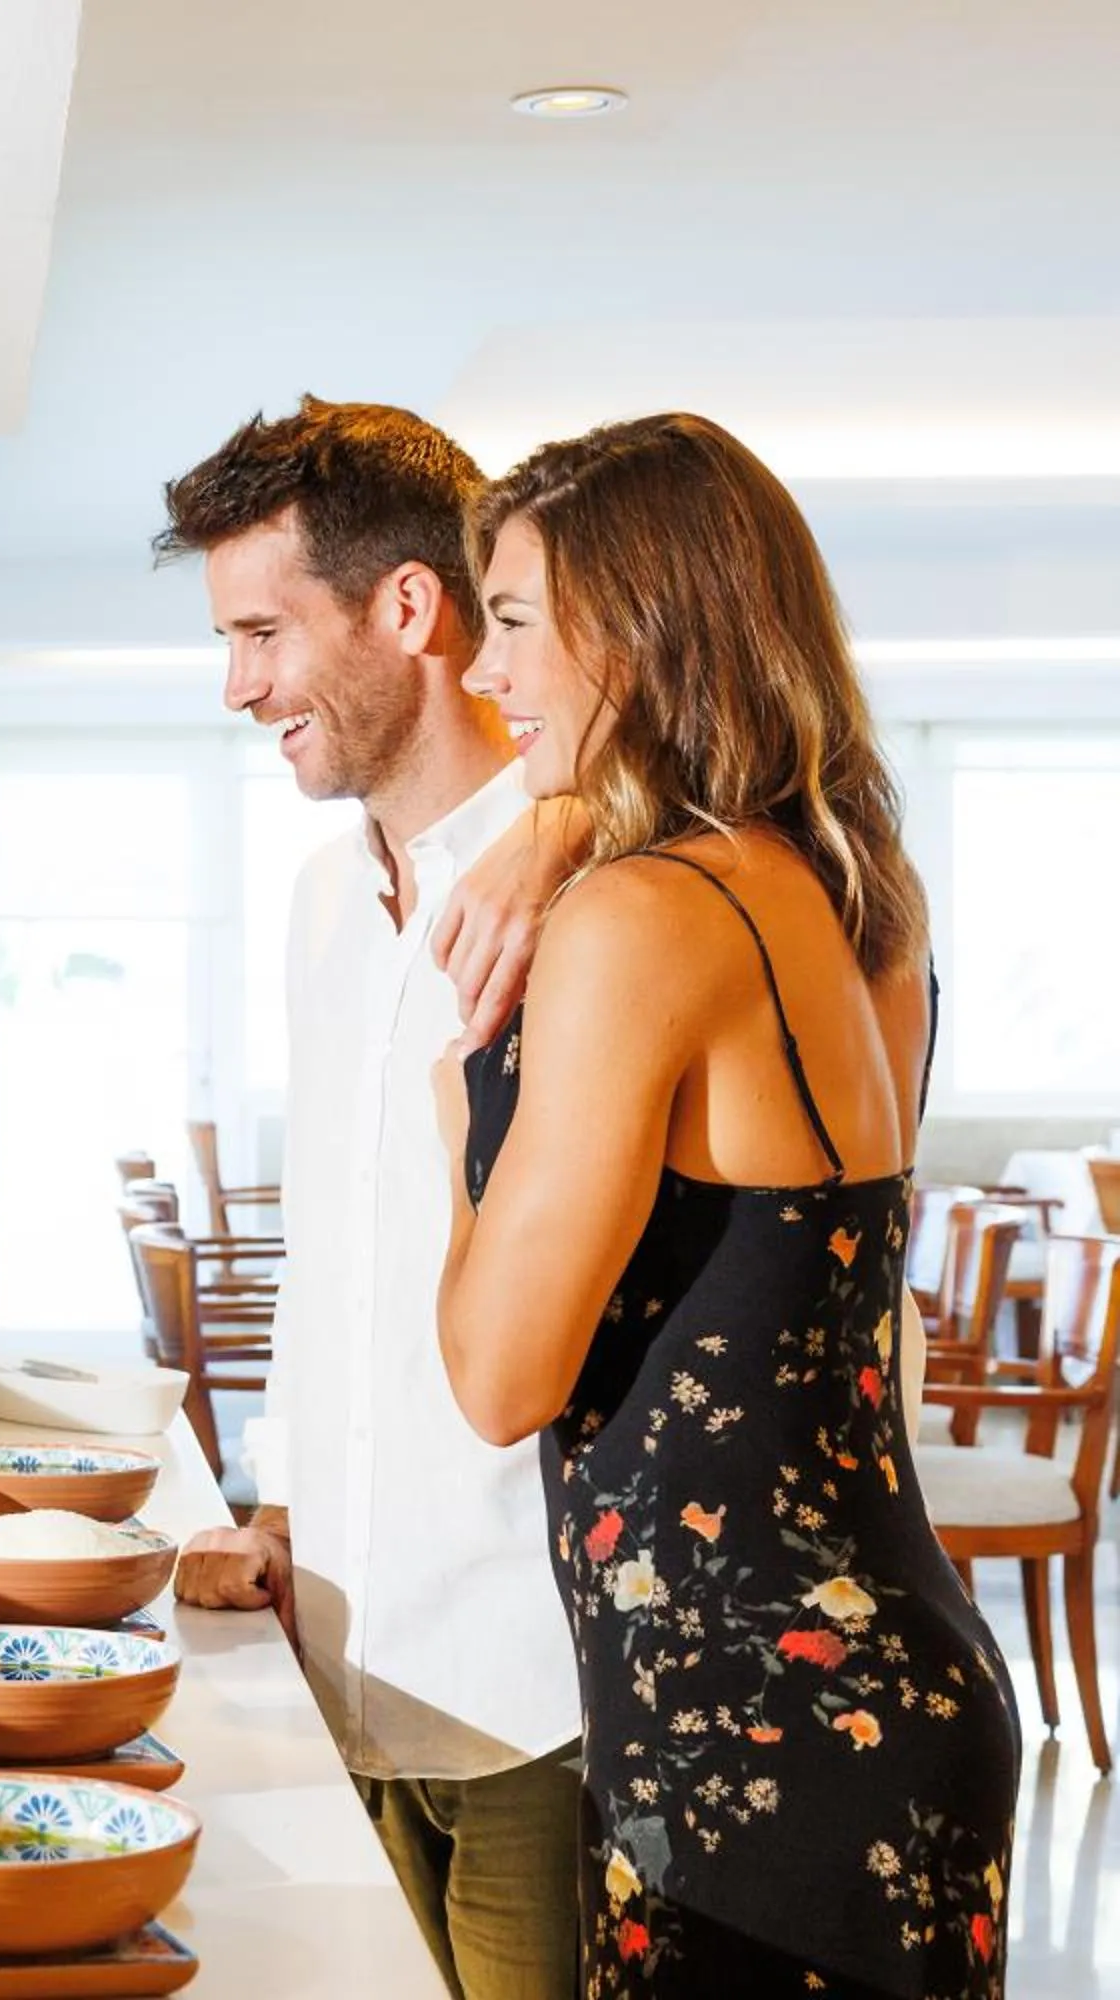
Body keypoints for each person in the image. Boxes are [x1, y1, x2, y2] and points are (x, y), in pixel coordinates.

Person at [436, 413, 1018, 1997]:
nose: (488, 678)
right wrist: (566, 814)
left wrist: (459, 1124)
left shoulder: (639, 920)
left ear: (639, 627)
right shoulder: (854, 891)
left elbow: (500, 1381)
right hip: (899, 1686)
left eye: (511, 622)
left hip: (744, 1732)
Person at [156, 398, 588, 2000]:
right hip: (344, 1640)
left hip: (527, 1671)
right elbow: (345, 1253)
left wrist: (576, 821)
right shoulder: (325, 899)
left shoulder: (592, 881)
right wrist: (277, 1507)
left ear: (410, 609)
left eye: (263, 630)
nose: (240, 684)